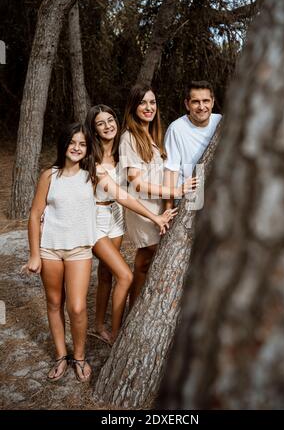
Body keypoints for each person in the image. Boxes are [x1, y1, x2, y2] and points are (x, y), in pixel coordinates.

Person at [85, 104, 177, 345]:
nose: (108, 126)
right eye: (101, 123)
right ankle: (116, 334)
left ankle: (98, 324)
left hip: (116, 219)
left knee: (106, 273)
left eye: (111, 120)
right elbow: (122, 194)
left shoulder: (119, 153)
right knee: (125, 275)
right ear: (94, 130)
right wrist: (155, 217)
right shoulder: (90, 158)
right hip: (95, 220)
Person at [23, 123, 97, 383]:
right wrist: (34, 255)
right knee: (54, 303)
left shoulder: (93, 176)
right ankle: (60, 355)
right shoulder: (49, 176)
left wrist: (156, 215)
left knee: (76, 307)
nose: (76, 147)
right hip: (50, 250)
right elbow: (34, 216)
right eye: (72, 142)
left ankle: (79, 356)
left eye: (82, 144)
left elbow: (124, 196)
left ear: (88, 149)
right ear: (64, 145)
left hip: (79, 250)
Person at [119, 84, 198, 308]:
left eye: (152, 102)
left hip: (159, 205)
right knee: (152, 257)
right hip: (144, 209)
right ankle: (136, 310)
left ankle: (134, 310)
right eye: (143, 102)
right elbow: (136, 182)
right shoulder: (129, 137)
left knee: (144, 262)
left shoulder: (152, 134)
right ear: (133, 106)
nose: (148, 107)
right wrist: (176, 191)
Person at [164, 80, 222, 208]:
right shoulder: (176, 129)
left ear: (212, 102)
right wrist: (167, 210)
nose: (201, 107)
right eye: (196, 102)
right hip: (188, 200)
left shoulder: (221, 123)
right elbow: (171, 172)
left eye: (206, 101)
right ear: (187, 104)